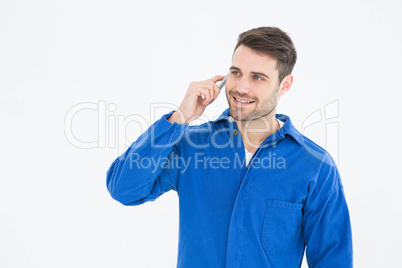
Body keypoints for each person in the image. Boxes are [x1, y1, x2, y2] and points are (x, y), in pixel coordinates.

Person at [106, 26, 353, 267]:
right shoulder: (192, 147)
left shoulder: (315, 166)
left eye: (257, 77)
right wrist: (179, 117)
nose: (241, 88)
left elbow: (333, 261)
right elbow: (124, 188)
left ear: (285, 85)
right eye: (236, 73)